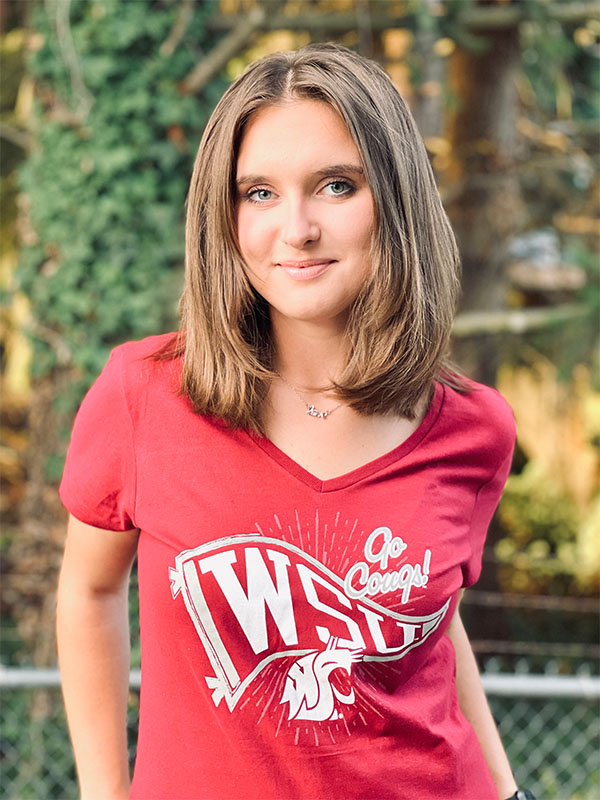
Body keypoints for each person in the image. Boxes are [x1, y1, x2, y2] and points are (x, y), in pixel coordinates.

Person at [57, 42, 533, 800]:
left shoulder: (474, 430)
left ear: (396, 200)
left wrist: (507, 790)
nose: (298, 228)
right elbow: (88, 593)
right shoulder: (143, 396)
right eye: (259, 193)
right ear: (224, 213)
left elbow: (429, 625)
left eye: (336, 186)